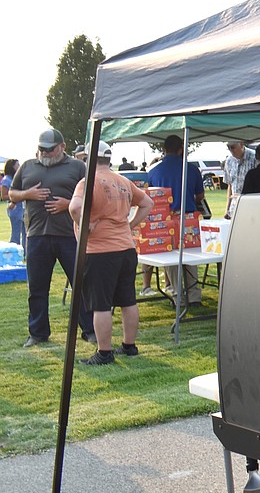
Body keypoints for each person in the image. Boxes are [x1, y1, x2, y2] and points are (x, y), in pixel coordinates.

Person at [68, 142, 154, 365]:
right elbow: (147, 202)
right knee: (128, 300)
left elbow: (74, 208)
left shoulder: (87, 182)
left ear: (88, 160)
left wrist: (84, 226)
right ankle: (129, 346)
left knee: (101, 304)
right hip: (126, 248)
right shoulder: (123, 181)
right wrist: (131, 224)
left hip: (100, 251)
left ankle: (104, 352)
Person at [8, 129, 95, 346]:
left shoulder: (77, 167)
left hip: (69, 235)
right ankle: (37, 333)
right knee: (36, 287)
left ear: (62, 146)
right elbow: (11, 193)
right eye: (42, 149)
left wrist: (68, 205)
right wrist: (27, 195)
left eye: (50, 149)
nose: (45, 153)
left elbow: (93, 195)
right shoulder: (27, 166)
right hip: (36, 236)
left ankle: (90, 330)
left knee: (81, 284)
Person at [146, 135, 206, 305]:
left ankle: (177, 295)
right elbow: (200, 195)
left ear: (164, 150)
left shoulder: (153, 171)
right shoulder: (191, 169)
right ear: (181, 149)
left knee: (170, 258)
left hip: (166, 219)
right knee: (191, 256)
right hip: (189, 218)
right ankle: (194, 295)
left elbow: (150, 197)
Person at [223, 140, 256, 219]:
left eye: (233, 147)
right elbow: (230, 186)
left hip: (251, 207)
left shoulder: (254, 157)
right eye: (228, 147)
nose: (231, 150)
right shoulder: (229, 161)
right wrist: (227, 209)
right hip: (234, 208)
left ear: (241, 144)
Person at [2, 158, 24, 248]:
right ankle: (13, 251)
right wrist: (16, 197)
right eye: (17, 165)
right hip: (14, 209)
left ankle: (25, 252)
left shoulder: (18, 178)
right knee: (16, 233)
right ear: (12, 167)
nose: (19, 167)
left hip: (23, 208)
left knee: (26, 232)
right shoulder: (6, 180)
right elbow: (4, 196)